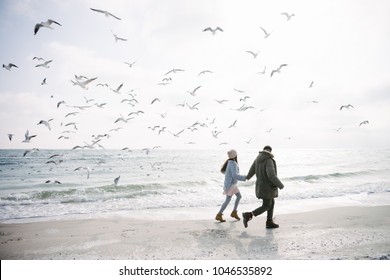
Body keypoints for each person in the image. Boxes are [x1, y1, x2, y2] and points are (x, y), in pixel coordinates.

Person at [242, 145, 284, 229]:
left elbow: (251, 171)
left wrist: (246, 177)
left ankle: (269, 221)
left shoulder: (257, 159)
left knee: (271, 202)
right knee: (266, 205)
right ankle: (249, 215)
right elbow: (271, 175)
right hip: (268, 187)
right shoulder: (269, 160)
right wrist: (280, 185)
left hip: (261, 186)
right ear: (270, 151)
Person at [215, 149, 247, 222]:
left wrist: (228, 176)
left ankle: (234, 212)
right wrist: (245, 177)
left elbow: (224, 171)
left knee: (239, 196)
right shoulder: (233, 163)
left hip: (232, 184)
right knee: (227, 200)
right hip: (231, 185)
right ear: (235, 155)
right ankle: (219, 214)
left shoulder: (229, 162)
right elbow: (235, 175)